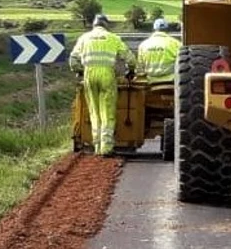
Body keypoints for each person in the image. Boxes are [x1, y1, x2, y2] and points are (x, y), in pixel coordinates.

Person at [69, 13, 134, 156]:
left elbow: (73, 59)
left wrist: (79, 71)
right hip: (107, 75)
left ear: (94, 24)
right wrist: (131, 69)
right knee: (107, 111)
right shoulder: (113, 38)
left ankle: (97, 145)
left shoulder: (84, 38)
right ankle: (106, 147)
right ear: (106, 25)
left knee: (94, 110)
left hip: (89, 75)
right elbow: (129, 57)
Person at [137, 17, 182, 86]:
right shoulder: (176, 44)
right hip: (171, 82)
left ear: (154, 29)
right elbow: (181, 64)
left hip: (150, 82)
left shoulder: (143, 45)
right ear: (167, 29)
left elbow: (140, 68)